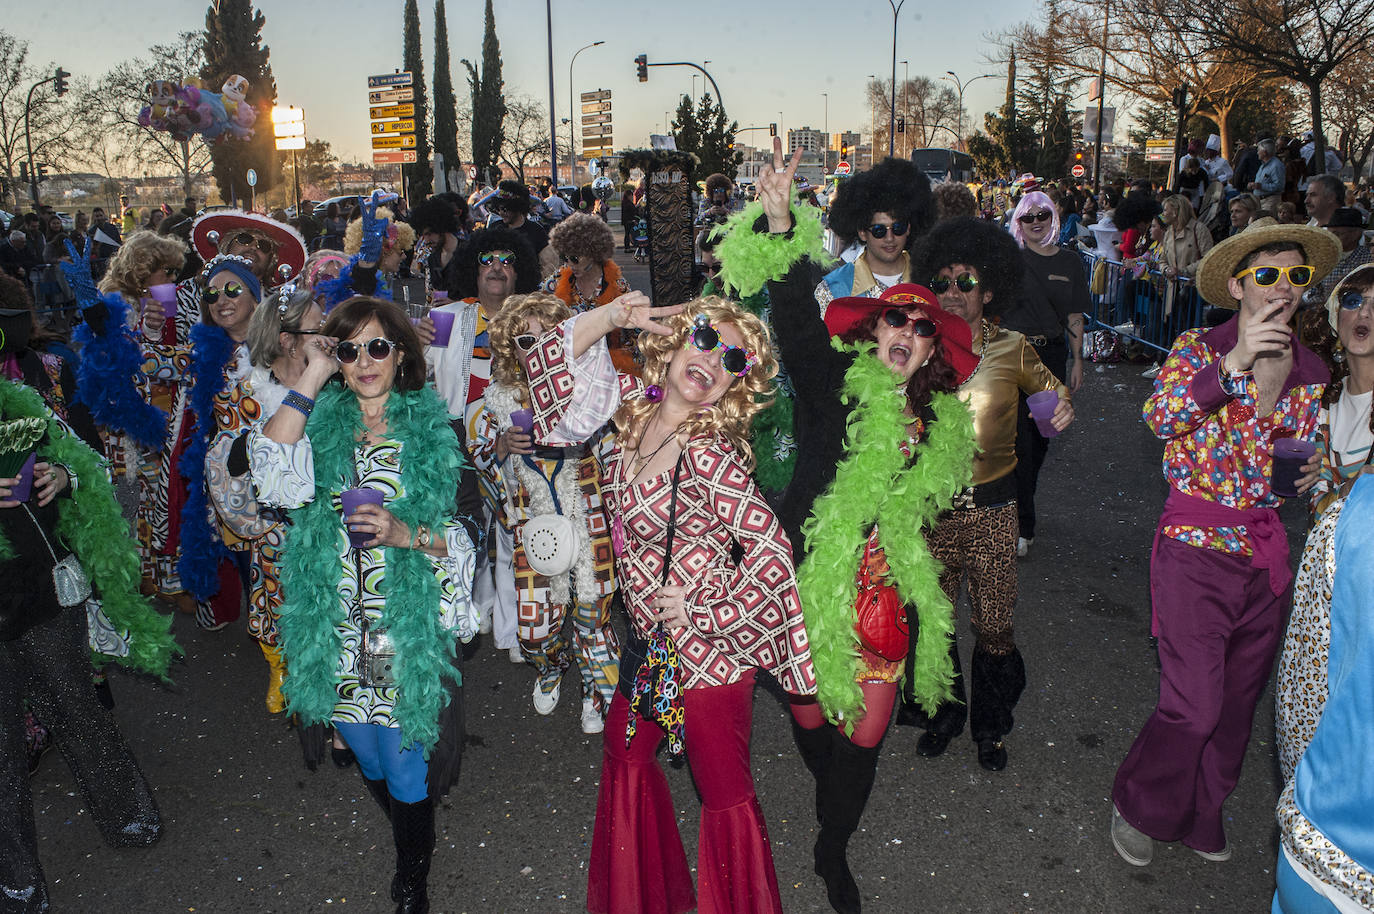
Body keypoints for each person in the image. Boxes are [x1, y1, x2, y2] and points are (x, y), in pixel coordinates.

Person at [520, 287, 815, 914]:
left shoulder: (712, 455)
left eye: (733, 361)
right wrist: (607, 318)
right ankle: (646, 897)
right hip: (650, 648)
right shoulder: (629, 412)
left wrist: (705, 605)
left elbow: (773, 553)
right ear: (679, 340)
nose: (712, 361)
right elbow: (543, 379)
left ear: (736, 387)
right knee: (625, 758)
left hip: (710, 660)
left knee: (724, 794)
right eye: (705, 340)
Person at [748, 142, 979, 914]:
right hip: (809, 588)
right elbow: (793, 322)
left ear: (927, 351)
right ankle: (828, 786)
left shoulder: (941, 428)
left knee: (866, 741)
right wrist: (782, 226)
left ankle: (832, 847)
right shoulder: (830, 392)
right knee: (812, 721)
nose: (905, 330)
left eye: (920, 324)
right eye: (895, 318)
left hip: (885, 601)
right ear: (873, 331)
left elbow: (933, 509)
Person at [1108, 221, 1341, 867]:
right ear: (1238, 285)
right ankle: (1140, 805)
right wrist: (1231, 365)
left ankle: (1203, 810)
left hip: (1264, 559)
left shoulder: (1314, 373)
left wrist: (1317, 470)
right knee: (1195, 706)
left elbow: (1287, 480)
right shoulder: (1196, 347)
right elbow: (1160, 418)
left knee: (1237, 705)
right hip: (1193, 550)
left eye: (1297, 276)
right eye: (1267, 274)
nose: (1283, 288)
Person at [251, 296, 480, 914]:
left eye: (378, 346)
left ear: (401, 353)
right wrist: (311, 375)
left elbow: (474, 530)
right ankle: (413, 829)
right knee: (370, 755)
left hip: (403, 626)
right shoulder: (318, 424)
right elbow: (271, 476)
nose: (365, 361)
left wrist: (410, 535)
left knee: (405, 767)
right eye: (349, 350)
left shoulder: (436, 430)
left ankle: (411, 880)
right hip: (335, 630)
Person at [0, 374, 178, 914]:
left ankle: (129, 816)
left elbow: (95, 469)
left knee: (79, 711)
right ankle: (16, 882)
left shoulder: (22, 407)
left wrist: (64, 475)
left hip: (44, 598)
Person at [902, 216, 1075, 771]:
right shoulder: (918, 350)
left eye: (967, 282)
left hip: (995, 512)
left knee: (995, 627)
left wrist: (1062, 407)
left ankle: (991, 727)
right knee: (937, 623)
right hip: (934, 513)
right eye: (945, 283)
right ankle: (945, 718)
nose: (955, 293)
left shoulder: (1014, 348)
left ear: (990, 289)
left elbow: (1054, 395)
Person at [470, 292, 619, 733]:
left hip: (591, 527)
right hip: (535, 533)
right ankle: (552, 665)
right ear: (509, 349)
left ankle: (597, 693)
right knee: (534, 634)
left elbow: (620, 458)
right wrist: (499, 448)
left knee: (593, 619)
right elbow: (477, 463)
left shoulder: (592, 393)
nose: (535, 348)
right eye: (524, 340)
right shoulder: (496, 402)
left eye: (547, 337)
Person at [1274, 267, 1374, 912]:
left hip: (1364, 611)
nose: (1365, 312)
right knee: (1301, 735)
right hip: (1316, 597)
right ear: (1336, 317)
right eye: (1355, 299)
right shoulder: (1319, 401)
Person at [205, 283, 326, 713]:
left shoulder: (342, 387)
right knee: (278, 595)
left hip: (334, 526)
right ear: (287, 341)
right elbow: (231, 466)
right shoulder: (242, 396)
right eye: (318, 329)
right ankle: (281, 663)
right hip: (276, 528)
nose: (329, 336)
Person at [426, 226, 540, 663]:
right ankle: (478, 605)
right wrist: (415, 344)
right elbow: (425, 376)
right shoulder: (446, 317)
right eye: (487, 259)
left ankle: (512, 632)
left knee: (513, 534)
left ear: (518, 273)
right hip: (458, 440)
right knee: (472, 531)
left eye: (507, 261)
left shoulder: (533, 319)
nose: (496, 267)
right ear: (473, 271)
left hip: (514, 437)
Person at [1004, 191, 1087, 557]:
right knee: (1018, 441)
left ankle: (1020, 505)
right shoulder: (1010, 262)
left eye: (1043, 214)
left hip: (1050, 358)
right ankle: (1023, 525)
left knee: (1040, 442)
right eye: (1028, 217)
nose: (1036, 221)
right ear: (1018, 223)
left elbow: (1074, 317)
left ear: (1054, 218)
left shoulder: (1070, 263)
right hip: (1014, 357)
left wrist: (1077, 361)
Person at [814, 157, 934, 309]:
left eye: (898, 228)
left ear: (909, 228)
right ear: (862, 232)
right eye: (879, 231)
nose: (890, 238)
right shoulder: (832, 290)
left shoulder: (932, 282)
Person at [543, 213, 637, 374]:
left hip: (606, 369)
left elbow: (633, 335)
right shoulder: (556, 282)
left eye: (575, 258)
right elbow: (537, 310)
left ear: (593, 253)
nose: (569, 264)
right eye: (565, 258)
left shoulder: (618, 286)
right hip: (568, 365)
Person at [1303, 208, 1373, 308]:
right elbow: (1311, 292)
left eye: (1337, 234)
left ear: (1355, 234)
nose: (1332, 237)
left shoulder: (1367, 261)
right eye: (1331, 233)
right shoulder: (1324, 257)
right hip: (1320, 311)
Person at [487, 180, 557, 276]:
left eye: (504, 209)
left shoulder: (536, 231)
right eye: (498, 209)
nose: (501, 213)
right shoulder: (494, 229)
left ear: (517, 206)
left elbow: (549, 265)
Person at [1249, 139, 1284, 213]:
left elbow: (1279, 186)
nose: (1257, 153)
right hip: (1260, 201)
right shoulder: (1263, 165)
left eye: (1259, 150)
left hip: (1270, 202)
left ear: (1264, 152)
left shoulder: (1276, 165)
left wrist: (1260, 186)